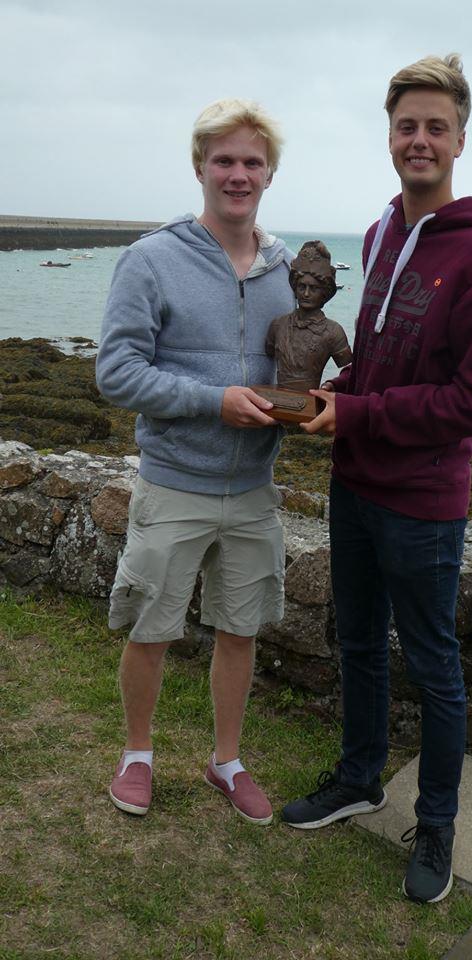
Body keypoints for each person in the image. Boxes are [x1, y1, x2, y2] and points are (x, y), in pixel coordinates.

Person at [281, 55, 472, 903]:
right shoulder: (382, 232)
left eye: (436, 127)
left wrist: (360, 415)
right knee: (354, 641)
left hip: (422, 504)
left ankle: (439, 828)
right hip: (355, 484)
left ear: (460, 139)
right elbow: (380, 359)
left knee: (432, 664)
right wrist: (338, 395)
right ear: (390, 136)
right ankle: (359, 779)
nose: (420, 140)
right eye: (406, 125)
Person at [96, 98, 295, 825]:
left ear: (269, 172)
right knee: (152, 628)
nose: (237, 175)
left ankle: (227, 761)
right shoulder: (152, 258)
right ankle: (138, 754)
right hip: (174, 483)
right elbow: (115, 373)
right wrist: (215, 400)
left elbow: (290, 367)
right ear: (200, 167)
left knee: (240, 629)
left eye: (251, 162)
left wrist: (317, 401)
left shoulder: (285, 272)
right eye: (224, 161)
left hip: (253, 490)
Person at [265, 241, 352, 393]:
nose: (306, 293)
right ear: (295, 288)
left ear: (324, 293)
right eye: (301, 287)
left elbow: (347, 367)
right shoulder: (278, 325)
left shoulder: (334, 332)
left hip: (310, 404)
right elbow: (269, 351)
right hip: (278, 402)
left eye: (314, 288)